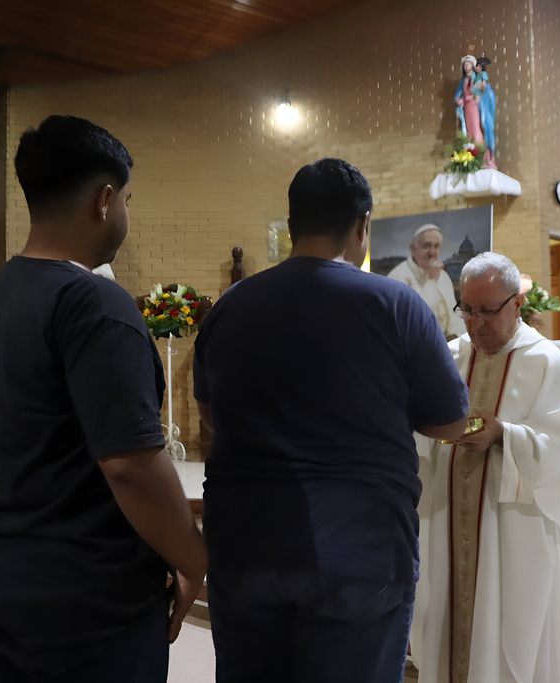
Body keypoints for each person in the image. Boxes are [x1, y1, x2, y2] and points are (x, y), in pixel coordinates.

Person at [0, 115, 207, 682]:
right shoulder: (95, 303)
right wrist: (193, 559)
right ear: (105, 199)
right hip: (84, 602)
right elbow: (132, 465)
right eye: (128, 200)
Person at [193, 158, 470, 682]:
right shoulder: (396, 304)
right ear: (363, 225)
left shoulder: (229, 307)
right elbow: (449, 424)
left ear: (292, 223)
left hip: (246, 545)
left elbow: (211, 418)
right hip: (360, 549)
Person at [411, 252, 560, 683]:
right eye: (468, 309)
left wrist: (504, 434)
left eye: (488, 310)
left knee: (509, 631)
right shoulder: (447, 357)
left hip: (512, 532)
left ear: (517, 303)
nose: (476, 323)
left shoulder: (545, 363)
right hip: (447, 523)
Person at [387, 224, 465, 340]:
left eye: (436, 246)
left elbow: (454, 314)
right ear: (412, 249)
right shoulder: (397, 277)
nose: (432, 252)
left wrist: (460, 338)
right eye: (426, 246)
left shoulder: (443, 276)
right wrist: (432, 280)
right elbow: (416, 320)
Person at [454, 56, 497, 170]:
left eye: (468, 64)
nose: (466, 66)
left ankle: (484, 156)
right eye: (464, 64)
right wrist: (459, 100)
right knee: (470, 132)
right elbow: (459, 95)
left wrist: (473, 96)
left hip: (475, 107)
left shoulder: (477, 77)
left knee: (477, 130)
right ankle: (473, 155)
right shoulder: (463, 81)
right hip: (467, 108)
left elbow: (482, 90)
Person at [473, 57, 497, 169]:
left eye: (478, 66)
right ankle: (484, 157)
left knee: (487, 124)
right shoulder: (475, 77)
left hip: (485, 99)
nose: (476, 68)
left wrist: (473, 88)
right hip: (480, 101)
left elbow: (483, 86)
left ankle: (490, 157)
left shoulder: (483, 75)